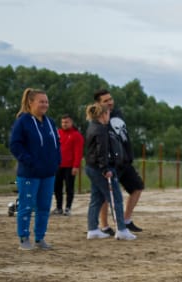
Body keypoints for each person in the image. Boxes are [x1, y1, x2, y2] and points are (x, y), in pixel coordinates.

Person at [8, 88, 61, 251]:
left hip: (48, 173)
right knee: (26, 206)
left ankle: (40, 238)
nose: (45, 104)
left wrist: (56, 160)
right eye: (41, 101)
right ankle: (24, 238)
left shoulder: (50, 122)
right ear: (31, 102)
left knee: (44, 207)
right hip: (29, 173)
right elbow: (15, 145)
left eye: (46, 101)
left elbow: (56, 144)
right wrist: (29, 161)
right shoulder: (23, 121)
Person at [83, 102, 136, 241]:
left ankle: (92, 229)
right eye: (108, 114)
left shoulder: (92, 127)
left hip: (91, 167)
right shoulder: (101, 129)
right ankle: (122, 230)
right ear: (103, 114)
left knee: (97, 198)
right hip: (100, 169)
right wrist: (105, 168)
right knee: (116, 198)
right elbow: (101, 151)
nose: (109, 116)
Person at [93, 89, 144, 234]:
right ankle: (104, 226)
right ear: (98, 103)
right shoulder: (97, 119)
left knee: (137, 187)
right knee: (104, 195)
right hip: (109, 163)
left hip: (124, 161)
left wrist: (129, 155)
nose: (110, 102)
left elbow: (124, 136)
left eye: (110, 99)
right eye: (106, 100)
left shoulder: (117, 113)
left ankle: (126, 220)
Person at [54, 113, 83, 217]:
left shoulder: (76, 135)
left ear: (71, 122)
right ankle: (58, 207)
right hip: (58, 165)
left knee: (69, 187)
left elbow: (78, 152)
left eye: (66, 122)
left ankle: (68, 207)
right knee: (57, 187)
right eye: (62, 122)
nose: (64, 124)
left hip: (70, 166)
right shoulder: (58, 133)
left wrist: (76, 166)